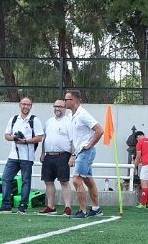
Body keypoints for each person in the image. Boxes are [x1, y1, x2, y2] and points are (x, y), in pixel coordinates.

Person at [0, 95, 42, 213]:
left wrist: (26, 141)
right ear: (20, 105)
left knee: (26, 181)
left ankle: (23, 205)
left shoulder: (34, 120)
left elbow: (39, 137)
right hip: (13, 155)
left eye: (28, 104)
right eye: (23, 104)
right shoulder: (13, 119)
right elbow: (6, 135)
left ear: (31, 106)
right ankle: (6, 205)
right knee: (6, 178)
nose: (25, 106)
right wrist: (14, 138)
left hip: (27, 156)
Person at [64, 89, 103, 218]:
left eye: (66, 99)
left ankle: (83, 211)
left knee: (76, 180)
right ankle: (96, 209)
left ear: (73, 100)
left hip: (86, 152)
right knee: (88, 181)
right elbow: (78, 138)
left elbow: (99, 130)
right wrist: (74, 154)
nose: (65, 102)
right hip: (81, 152)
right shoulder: (72, 116)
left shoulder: (83, 114)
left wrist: (90, 145)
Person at [38, 97, 74, 215]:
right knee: (48, 181)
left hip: (63, 155)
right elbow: (45, 139)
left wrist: (73, 156)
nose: (57, 108)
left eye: (60, 106)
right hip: (49, 156)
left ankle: (67, 207)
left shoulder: (69, 122)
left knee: (64, 181)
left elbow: (73, 140)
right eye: (55, 106)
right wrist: (43, 153)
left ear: (65, 108)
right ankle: (50, 206)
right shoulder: (49, 122)